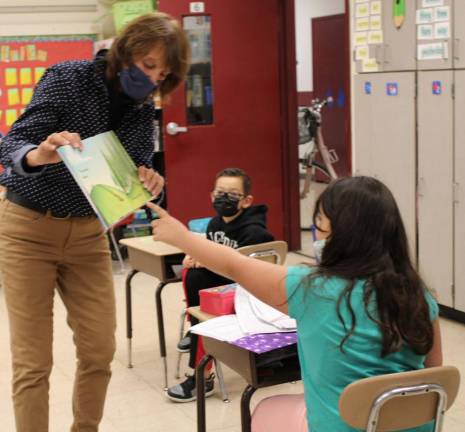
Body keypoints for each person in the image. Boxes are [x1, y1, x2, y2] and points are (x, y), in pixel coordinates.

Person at [0, 12, 189, 432]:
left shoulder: (142, 109)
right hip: (28, 228)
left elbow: (133, 168)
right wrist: (40, 152)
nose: (154, 79)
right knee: (33, 362)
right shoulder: (69, 78)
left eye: (164, 73)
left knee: (99, 351)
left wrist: (148, 179)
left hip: (87, 234)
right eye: (148, 66)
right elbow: (12, 142)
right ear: (126, 52)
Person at [148, 176, 442, 432]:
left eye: (320, 225)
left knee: (266, 410)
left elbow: (235, 265)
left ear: (342, 235)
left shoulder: (311, 288)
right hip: (412, 428)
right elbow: (431, 374)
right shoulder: (420, 295)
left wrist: (182, 238)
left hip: (340, 427)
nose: (317, 234)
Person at [167, 167, 274, 402]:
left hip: (248, 296)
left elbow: (249, 275)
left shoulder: (255, 233)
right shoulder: (215, 224)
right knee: (191, 273)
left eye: (233, 194)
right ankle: (196, 324)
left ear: (247, 201)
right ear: (211, 196)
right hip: (222, 290)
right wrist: (196, 257)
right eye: (220, 192)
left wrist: (206, 261)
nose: (225, 198)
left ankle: (202, 377)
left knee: (199, 283)